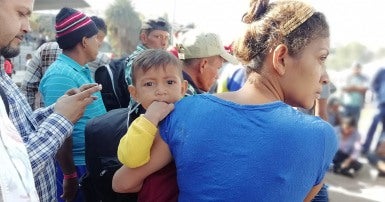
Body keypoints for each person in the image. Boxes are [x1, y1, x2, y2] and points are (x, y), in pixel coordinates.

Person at [112, 0, 338, 201]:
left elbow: (123, 182)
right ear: (280, 58)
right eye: (322, 58)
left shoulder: (185, 109)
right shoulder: (321, 136)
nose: (325, 76)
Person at [0, 0, 103, 201]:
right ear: (84, 41)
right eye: (21, 13)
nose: (28, 27)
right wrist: (62, 119)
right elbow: (10, 171)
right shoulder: (60, 75)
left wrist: (57, 111)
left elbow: (20, 131)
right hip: (79, 165)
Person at [39, 7, 107, 202]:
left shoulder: (78, 70)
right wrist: (69, 175)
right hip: (75, 168)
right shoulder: (60, 75)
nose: (99, 43)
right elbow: (60, 131)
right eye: (96, 38)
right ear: (85, 41)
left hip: (87, 164)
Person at [114, 49, 187, 201]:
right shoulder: (142, 124)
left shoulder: (188, 118)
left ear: (183, 88)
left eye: (170, 82)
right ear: (134, 93)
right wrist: (150, 118)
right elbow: (130, 159)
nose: (160, 91)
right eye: (149, 84)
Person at [20, 16, 110, 110]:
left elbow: (28, 87)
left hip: (48, 118)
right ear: (85, 39)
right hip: (73, 119)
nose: (99, 43)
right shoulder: (101, 59)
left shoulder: (45, 49)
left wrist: (31, 120)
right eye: (97, 37)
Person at [125, 17, 171, 85]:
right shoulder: (139, 61)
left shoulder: (160, 58)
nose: (164, 43)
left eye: (166, 38)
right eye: (158, 37)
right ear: (144, 38)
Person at [362, 67, 385, 154]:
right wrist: (379, 96)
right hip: (381, 103)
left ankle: (378, 150)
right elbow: (372, 84)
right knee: (374, 124)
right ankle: (365, 147)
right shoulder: (381, 71)